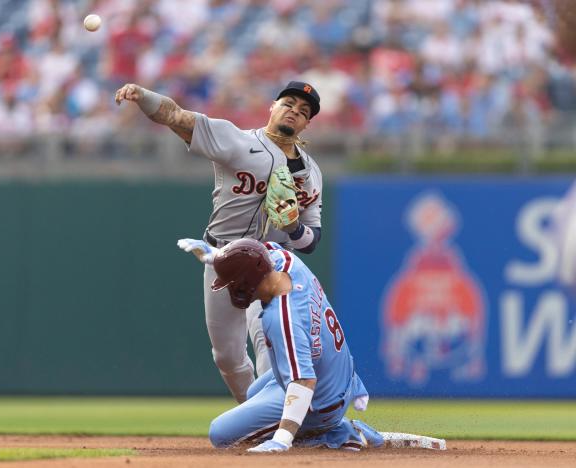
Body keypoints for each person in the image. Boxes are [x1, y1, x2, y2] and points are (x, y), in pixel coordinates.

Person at [115, 80, 324, 403]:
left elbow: (311, 241)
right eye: (288, 104)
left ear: (308, 123)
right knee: (226, 355)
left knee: (270, 336)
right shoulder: (236, 141)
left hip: (272, 261)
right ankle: (252, 412)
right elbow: (177, 117)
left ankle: (274, 414)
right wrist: (142, 96)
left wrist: (295, 228)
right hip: (224, 256)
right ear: (273, 106)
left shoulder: (312, 173)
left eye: (303, 111)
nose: (294, 112)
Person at [177, 237, 384, 452]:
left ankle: (337, 435)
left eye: (232, 283)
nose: (232, 289)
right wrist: (220, 257)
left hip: (322, 401)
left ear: (246, 281)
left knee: (221, 434)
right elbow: (263, 249)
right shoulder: (286, 261)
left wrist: (282, 439)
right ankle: (335, 424)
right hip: (336, 371)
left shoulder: (282, 317)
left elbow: (304, 381)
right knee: (253, 393)